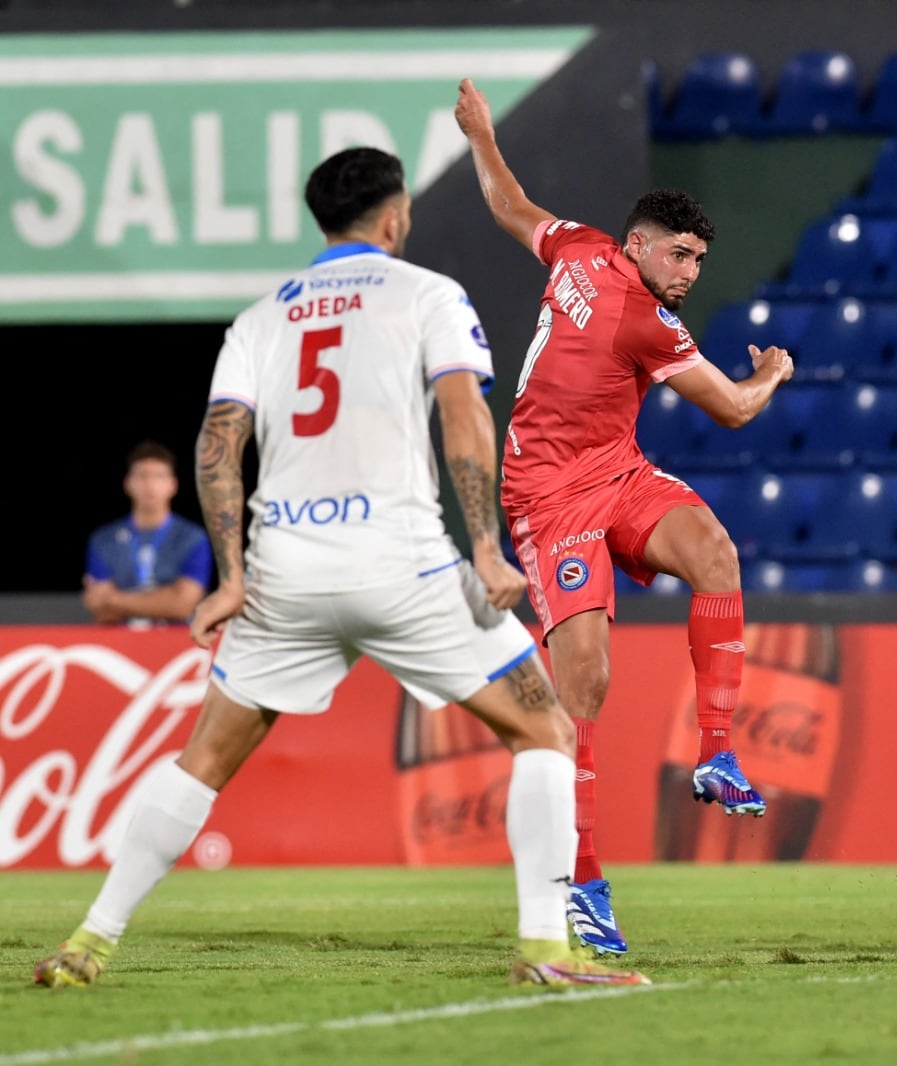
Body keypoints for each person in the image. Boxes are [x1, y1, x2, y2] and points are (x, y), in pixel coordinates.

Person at [34, 146, 645, 991]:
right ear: (394, 218)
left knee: (201, 761)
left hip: (284, 572)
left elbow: (218, 445)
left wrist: (232, 576)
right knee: (542, 731)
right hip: (404, 568)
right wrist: (484, 549)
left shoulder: (259, 319)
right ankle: (547, 951)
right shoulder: (428, 293)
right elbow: (464, 417)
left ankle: (89, 942)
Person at [454, 78, 794, 956]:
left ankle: (716, 750)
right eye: (679, 255)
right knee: (588, 684)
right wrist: (772, 375)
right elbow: (733, 409)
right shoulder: (646, 321)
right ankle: (584, 877)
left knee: (715, 551)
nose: (688, 273)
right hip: (545, 497)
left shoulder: (577, 250)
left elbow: (509, 204)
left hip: (619, 472)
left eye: (697, 262)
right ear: (639, 246)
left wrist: (483, 138)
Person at [83, 440, 213, 627]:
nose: (150, 484)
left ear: (173, 485)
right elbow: (100, 608)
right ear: (128, 484)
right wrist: (164, 599)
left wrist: (113, 599)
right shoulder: (104, 540)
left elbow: (183, 605)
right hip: (119, 643)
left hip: (176, 644)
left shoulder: (192, 538)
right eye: (142, 476)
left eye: (159, 476)